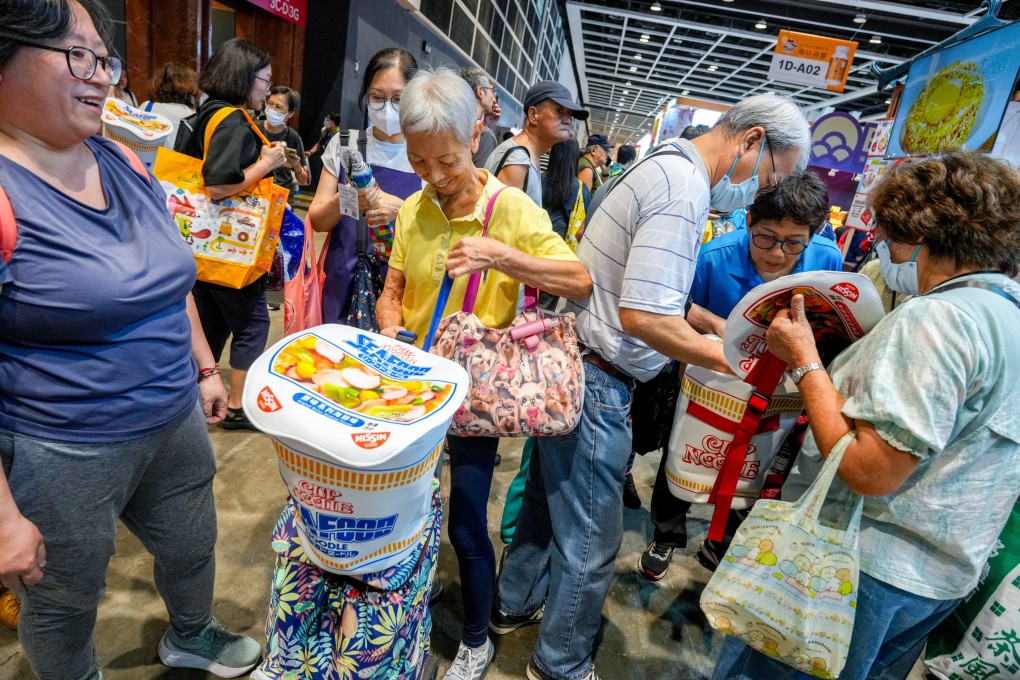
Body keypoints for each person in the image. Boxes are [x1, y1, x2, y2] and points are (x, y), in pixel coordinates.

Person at [491, 94, 810, 680]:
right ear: (752, 141)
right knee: (592, 541)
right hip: (598, 381)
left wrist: (712, 324)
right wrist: (742, 360)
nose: (759, 192)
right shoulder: (683, 188)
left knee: (544, 503)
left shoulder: (665, 165)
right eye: (769, 176)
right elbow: (643, 317)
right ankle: (559, 663)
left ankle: (512, 603)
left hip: (579, 361)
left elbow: (641, 285)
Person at [0, 1, 262, 678]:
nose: (101, 77)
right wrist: (4, 517)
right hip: (65, 446)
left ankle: (192, 632)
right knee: (64, 597)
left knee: (193, 543)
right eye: (76, 55)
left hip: (171, 415)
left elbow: (170, 278)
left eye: (103, 58)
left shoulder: (121, 160)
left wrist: (207, 368)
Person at [713, 150, 1020, 680]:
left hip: (857, 566)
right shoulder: (1007, 312)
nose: (887, 250)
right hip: (941, 573)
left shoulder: (937, 319)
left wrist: (806, 359)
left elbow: (870, 470)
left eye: (893, 238)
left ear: (922, 237)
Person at [375, 67, 592, 680]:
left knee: (467, 521)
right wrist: (391, 326)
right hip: (407, 387)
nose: (434, 177)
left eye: (444, 160)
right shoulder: (414, 210)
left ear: (474, 137)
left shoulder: (512, 208)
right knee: (402, 513)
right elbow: (393, 288)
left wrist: (500, 253)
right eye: (419, 162)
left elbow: (579, 281)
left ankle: (476, 636)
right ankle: (402, 610)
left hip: (472, 397)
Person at [638, 170, 842, 582]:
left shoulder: (826, 260)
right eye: (765, 237)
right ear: (748, 220)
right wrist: (717, 324)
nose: (776, 253)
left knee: (757, 460)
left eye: (792, 243)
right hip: (710, 378)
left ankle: (724, 537)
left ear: (814, 234)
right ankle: (666, 534)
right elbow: (677, 306)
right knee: (686, 451)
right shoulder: (714, 257)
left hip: (778, 384)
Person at [175, 37, 286, 430]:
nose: (268, 90)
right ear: (244, 77)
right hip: (229, 249)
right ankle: (239, 406)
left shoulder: (206, 114)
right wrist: (268, 161)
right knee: (254, 323)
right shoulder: (234, 120)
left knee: (210, 325)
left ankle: (194, 399)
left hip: (197, 246)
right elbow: (219, 184)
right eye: (265, 80)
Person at [498, 137, 591, 547]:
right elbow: (575, 243)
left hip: (517, 281)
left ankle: (513, 526)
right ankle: (515, 529)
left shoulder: (527, 176)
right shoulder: (576, 187)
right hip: (545, 272)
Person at [308, 47, 421, 322]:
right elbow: (317, 220)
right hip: (342, 278)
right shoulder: (343, 143)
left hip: (402, 290)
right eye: (377, 97)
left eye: (398, 98)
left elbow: (445, 229)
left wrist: (404, 209)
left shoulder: (426, 153)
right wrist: (346, 200)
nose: (387, 107)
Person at [484, 80, 588, 205]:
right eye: (559, 111)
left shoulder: (527, 157)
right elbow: (501, 223)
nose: (568, 120)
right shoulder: (517, 161)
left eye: (569, 114)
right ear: (533, 115)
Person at [257, 85, 309, 201]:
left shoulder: (293, 138)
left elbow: (303, 180)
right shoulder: (254, 128)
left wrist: (296, 165)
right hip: (255, 195)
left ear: (290, 113)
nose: (272, 109)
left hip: (282, 199)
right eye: (270, 103)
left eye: (279, 107)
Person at [140, 62, 198, 149]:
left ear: (158, 84)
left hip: (149, 162)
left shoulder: (146, 108)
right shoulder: (193, 115)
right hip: (181, 162)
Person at [459, 66, 498, 168]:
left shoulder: (451, 125)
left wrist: (488, 125)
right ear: (480, 91)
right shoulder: (484, 135)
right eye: (492, 92)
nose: (494, 99)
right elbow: (480, 181)